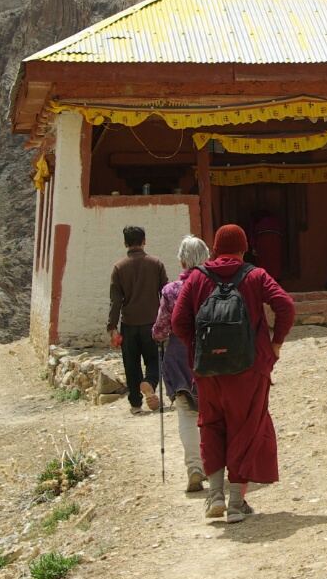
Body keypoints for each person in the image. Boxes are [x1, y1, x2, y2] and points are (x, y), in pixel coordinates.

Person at [172, 224, 294, 523]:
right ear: (243, 249)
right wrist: (275, 344)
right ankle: (237, 503)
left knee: (210, 424)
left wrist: (197, 348)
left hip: (208, 370)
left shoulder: (198, 277)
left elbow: (178, 321)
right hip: (249, 368)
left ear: (214, 249)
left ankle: (215, 495)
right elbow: (285, 306)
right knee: (245, 428)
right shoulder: (255, 275)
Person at [153, 235, 210, 493]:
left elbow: (161, 329)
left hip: (179, 354)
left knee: (187, 413)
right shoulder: (215, 286)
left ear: (183, 260)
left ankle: (194, 467)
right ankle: (217, 465)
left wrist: (157, 335)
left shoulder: (171, 290)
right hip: (213, 354)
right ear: (206, 257)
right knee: (215, 412)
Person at [107, 226, 167, 415]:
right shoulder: (155, 263)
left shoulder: (119, 267)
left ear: (125, 243)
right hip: (152, 322)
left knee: (131, 364)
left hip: (129, 323)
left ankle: (135, 403)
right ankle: (149, 382)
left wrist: (112, 326)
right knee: (156, 359)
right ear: (144, 241)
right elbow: (165, 293)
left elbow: (115, 300)